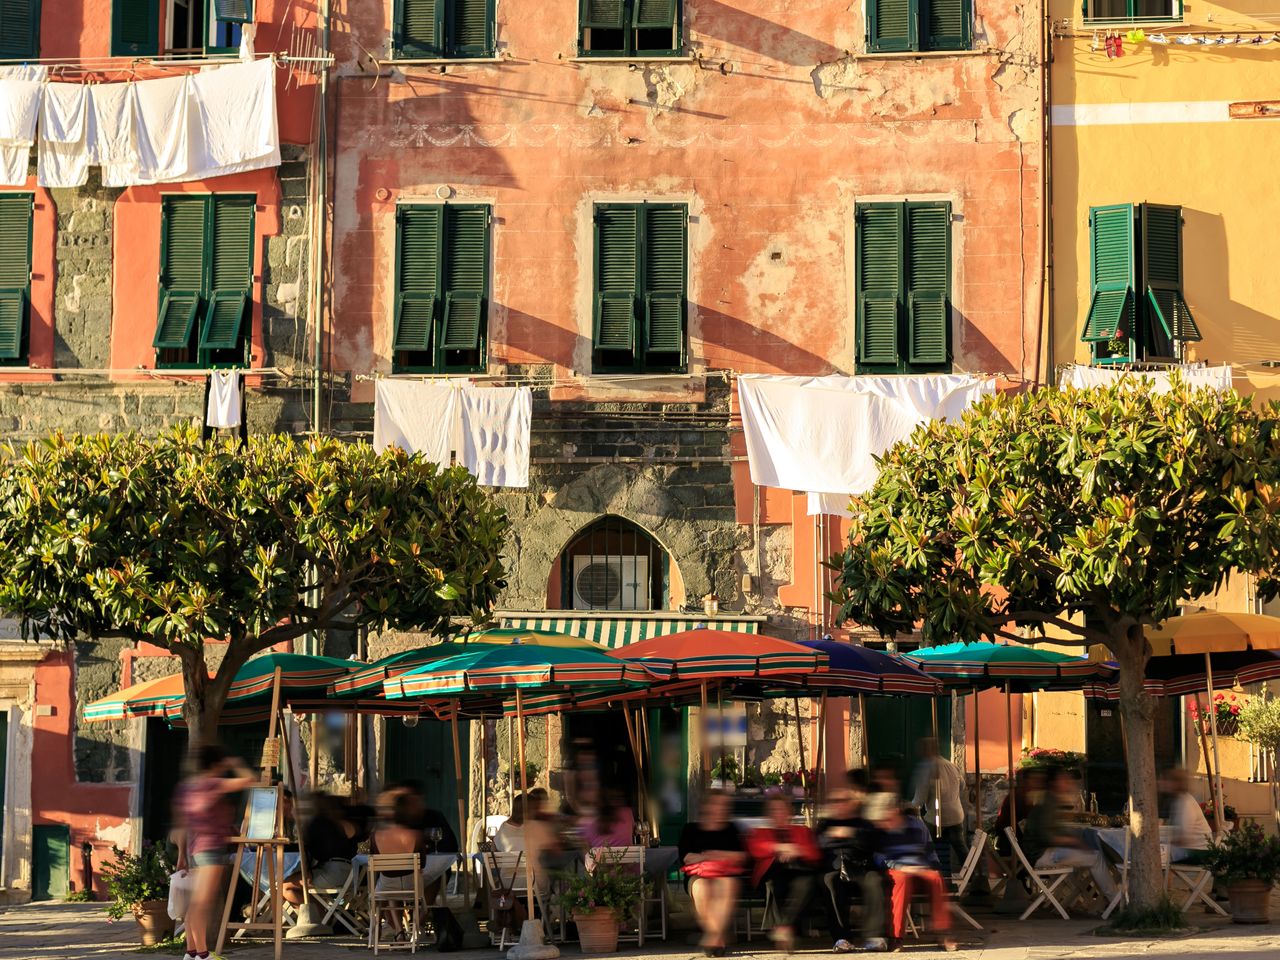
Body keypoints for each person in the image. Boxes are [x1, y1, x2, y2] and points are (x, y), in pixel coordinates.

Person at [172, 744, 257, 960]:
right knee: (201, 905)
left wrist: (182, 855)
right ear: (216, 764)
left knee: (195, 904)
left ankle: (191, 952)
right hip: (211, 850)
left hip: (195, 850)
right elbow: (250, 780)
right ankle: (202, 955)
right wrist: (235, 763)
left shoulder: (186, 788)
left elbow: (182, 825)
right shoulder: (211, 783)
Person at [748, 794, 847, 954]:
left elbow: (815, 854)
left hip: (798, 872)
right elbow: (756, 849)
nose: (778, 813)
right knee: (772, 885)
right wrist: (779, 848)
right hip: (771, 874)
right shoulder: (760, 832)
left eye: (781, 809)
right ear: (768, 814)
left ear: (789, 812)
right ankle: (785, 930)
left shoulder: (802, 830)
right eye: (773, 810)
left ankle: (783, 928)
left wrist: (797, 850)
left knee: (806, 884)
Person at [1022, 767, 1118, 908]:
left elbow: (1054, 830)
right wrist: (1074, 842)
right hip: (1041, 855)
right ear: (1054, 783)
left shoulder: (1050, 800)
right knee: (1096, 857)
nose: (1068, 782)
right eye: (1064, 780)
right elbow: (1047, 837)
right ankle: (1116, 901)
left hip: (1039, 853)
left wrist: (1073, 840)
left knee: (1088, 854)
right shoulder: (1049, 803)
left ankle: (1096, 899)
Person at [871, 802, 956, 952]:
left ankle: (942, 932)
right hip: (896, 869)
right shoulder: (881, 827)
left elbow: (929, 851)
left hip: (918, 868)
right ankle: (896, 937)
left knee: (935, 877)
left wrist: (932, 867)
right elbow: (878, 858)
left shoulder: (916, 824)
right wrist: (900, 867)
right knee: (901, 879)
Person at [817, 771, 887, 953]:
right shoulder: (826, 823)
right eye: (835, 802)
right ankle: (842, 938)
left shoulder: (862, 822)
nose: (839, 805)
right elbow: (820, 844)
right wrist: (835, 836)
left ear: (852, 803)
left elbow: (873, 843)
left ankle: (875, 936)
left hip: (861, 866)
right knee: (829, 880)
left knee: (875, 880)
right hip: (835, 868)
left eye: (843, 801)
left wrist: (851, 834)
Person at [678, 790, 747, 957]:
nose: (721, 808)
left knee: (727, 885)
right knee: (701, 888)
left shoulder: (731, 829)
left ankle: (712, 937)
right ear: (707, 806)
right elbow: (686, 858)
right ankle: (717, 935)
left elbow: (742, 856)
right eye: (717, 804)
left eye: (724, 805)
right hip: (698, 875)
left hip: (725, 875)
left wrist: (706, 855)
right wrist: (717, 855)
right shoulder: (691, 829)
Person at [283, 792, 359, 906]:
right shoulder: (339, 822)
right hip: (350, 872)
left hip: (332, 873)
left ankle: (320, 914)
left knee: (285, 886)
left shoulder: (317, 823)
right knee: (293, 884)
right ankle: (322, 912)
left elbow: (310, 851)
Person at [910, 737, 970, 872]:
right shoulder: (951, 765)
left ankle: (926, 872)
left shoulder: (927, 768)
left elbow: (919, 799)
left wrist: (908, 807)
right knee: (960, 847)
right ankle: (971, 873)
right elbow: (962, 786)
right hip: (956, 814)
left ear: (926, 750)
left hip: (937, 817)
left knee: (921, 841)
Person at [1164, 767, 1213, 864]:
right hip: (1195, 850)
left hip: (1199, 853)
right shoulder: (1180, 800)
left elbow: (1184, 838)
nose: (1165, 784)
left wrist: (1165, 841)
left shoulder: (1185, 803)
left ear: (1176, 783)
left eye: (1168, 781)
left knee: (1159, 855)